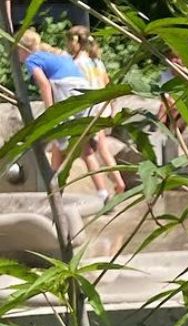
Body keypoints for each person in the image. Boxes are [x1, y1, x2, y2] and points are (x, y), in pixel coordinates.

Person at [17, 29, 112, 200]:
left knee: (60, 141)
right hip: (84, 93)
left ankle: (54, 195)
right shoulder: (55, 54)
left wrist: (50, 114)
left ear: (23, 49)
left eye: (17, 50)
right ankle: (101, 194)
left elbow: (45, 85)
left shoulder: (33, 59)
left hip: (68, 94)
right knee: (82, 150)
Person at [65, 25, 125, 196]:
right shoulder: (96, 61)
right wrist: (112, 105)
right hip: (102, 109)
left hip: (89, 111)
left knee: (87, 152)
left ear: (73, 42)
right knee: (103, 149)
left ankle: (102, 193)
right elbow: (107, 83)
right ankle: (119, 183)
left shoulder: (76, 63)